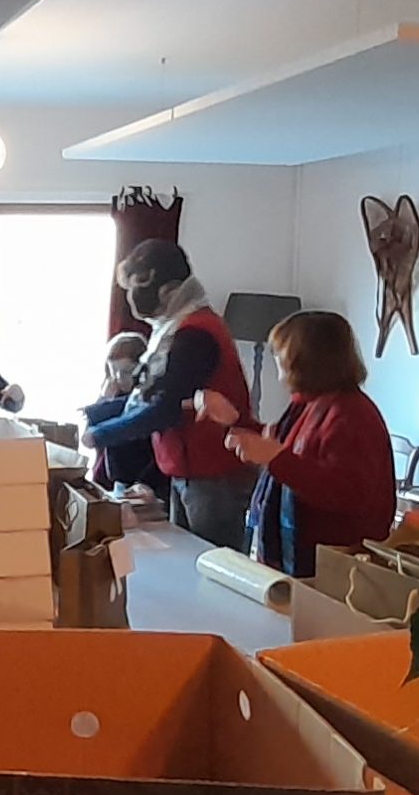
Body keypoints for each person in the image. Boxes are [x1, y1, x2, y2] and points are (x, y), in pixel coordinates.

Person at [84, 241, 258, 550]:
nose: (130, 297)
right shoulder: (173, 328)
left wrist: (100, 434)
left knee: (210, 561)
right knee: (187, 558)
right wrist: (97, 413)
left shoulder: (195, 333)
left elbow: (165, 406)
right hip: (189, 469)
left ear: (167, 290)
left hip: (213, 474)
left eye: (135, 286)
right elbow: (151, 394)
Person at [199, 311, 396, 578]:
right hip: (312, 557)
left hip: (334, 567)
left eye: (281, 352)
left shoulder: (351, 414)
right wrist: (235, 420)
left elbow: (348, 492)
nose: (276, 358)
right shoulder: (311, 404)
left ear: (305, 358)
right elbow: (277, 443)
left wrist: (275, 458)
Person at [81, 331, 158, 494]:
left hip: (146, 482)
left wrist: (145, 483)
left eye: (126, 372)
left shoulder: (147, 401)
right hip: (119, 479)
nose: (118, 378)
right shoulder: (112, 398)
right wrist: (104, 399)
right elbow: (91, 434)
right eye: (113, 371)